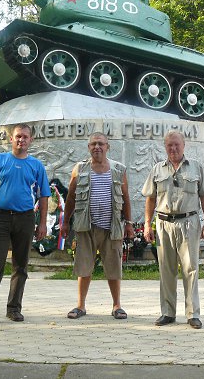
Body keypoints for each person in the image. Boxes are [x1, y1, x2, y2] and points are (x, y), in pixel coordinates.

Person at [0, 123, 50, 327]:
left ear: (31, 140)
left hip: (25, 218)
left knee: (21, 265)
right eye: (18, 136)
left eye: (25, 137)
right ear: (11, 139)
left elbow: (43, 196)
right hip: (0, 217)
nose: (21, 140)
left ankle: (14, 308)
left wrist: (42, 223)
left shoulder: (36, 166)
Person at [142, 130, 204, 329]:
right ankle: (167, 313)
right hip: (164, 224)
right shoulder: (157, 169)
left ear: (184, 145)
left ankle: (193, 314)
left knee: (190, 268)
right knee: (166, 268)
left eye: (176, 144)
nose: (173, 148)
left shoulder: (196, 168)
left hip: (189, 223)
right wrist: (148, 224)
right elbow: (150, 198)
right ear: (164, 147)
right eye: (169, 145)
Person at [60, 132, 134, 320]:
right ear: (88, 147)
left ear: (108, 147)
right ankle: (80, 306)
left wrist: (129, 224)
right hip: (86, 226)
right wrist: (65, 222)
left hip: (112, 227)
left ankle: (117, 305)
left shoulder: (118, 169)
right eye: (93, 144)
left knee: (113, 267)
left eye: (101, 144)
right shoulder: (80, 169)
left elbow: (125, 198)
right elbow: (70, 197)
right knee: (84, 266)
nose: (97, 147)